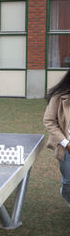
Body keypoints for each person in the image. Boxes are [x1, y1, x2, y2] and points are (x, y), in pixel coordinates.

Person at [43, 70, 70, 207]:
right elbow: (49, 121)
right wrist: (66, 144)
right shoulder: (58, 97)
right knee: (68, 181)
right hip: (66, 148)